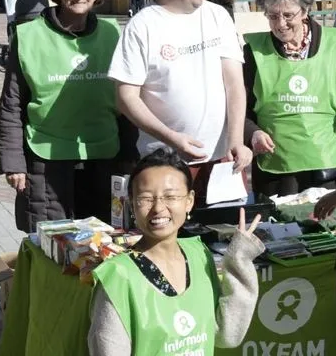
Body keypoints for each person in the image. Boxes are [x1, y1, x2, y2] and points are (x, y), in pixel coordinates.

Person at [109, 0, 252, 202]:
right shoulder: (142, 26)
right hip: (165, 163)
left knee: (225, 237)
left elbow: (234, 83)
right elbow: (126, 97)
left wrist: (236, 140)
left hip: (223, 163)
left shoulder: (217, 16)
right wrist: (172, 138)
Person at [0, 0, 136, 230]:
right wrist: (13, 163)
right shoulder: (28, 37)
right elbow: (11, 104)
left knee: (104, 243)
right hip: (47, 159)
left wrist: (130, 151)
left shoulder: (112, 33)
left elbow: (125, 98)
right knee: (52, 246)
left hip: (103, 155)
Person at [88, 150, 265, 356]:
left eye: (170, 196)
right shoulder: (117, 277)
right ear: (131, 203)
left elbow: (226, 335)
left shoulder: (198, 254)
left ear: (189, 201)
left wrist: (239, 259)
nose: (158, 208)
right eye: (145, 198)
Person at [243, 0, 336, 197]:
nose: (280, 24)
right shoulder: (253, 52)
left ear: (305, 10)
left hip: (328, 164)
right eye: (272, 16)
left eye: (288, 15)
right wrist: (253, 132)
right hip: (276, 168)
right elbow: (239, 109)